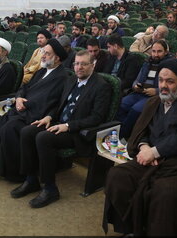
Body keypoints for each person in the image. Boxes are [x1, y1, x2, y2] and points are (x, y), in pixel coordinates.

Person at [103, 58, 177, 238]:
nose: (163, 86)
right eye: (161, 80)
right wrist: (144, 147)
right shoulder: (154, 102)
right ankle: (134, 231)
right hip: (150, 160)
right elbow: (142, 130)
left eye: (170, 81)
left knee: (165, 194)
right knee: (117, 176)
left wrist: (156, 151)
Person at [13, 50, 112, 208]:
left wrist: (67, 126)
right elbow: (60, 105)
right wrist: (49, 117)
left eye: (83, 64)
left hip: (78, 132)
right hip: (59, 122)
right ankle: (31, 179)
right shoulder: (71, 80)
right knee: (27, 131)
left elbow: (96, 118)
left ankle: (50, 188)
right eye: (76, 63)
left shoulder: (101, 86)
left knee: (43, 137)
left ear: (93, 65)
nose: (79, 67)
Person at [0, 39, 68, 183]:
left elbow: (51, 101)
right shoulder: (42, 71)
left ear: (57, 58)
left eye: (47, 54)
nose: (42, 56)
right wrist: (18, 98)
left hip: (36, 114)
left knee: (9, 128)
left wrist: (26, 105)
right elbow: (24, 88)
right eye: (43, 52)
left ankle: (14, 173)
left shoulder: (61, 77)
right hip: (22, 109)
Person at [117, 40, 173, 139]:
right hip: (139, 92)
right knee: (120, 104)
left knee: (135, 110)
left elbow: (171, 87)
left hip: (155, 96)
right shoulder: (147, 62)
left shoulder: (170, 66)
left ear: (166, 52)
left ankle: (123, 137)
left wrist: (156, 91)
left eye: (159, 51)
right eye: (154, 51)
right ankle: (123, 131)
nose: (156, 54)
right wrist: (135, 86)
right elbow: (137, 80)